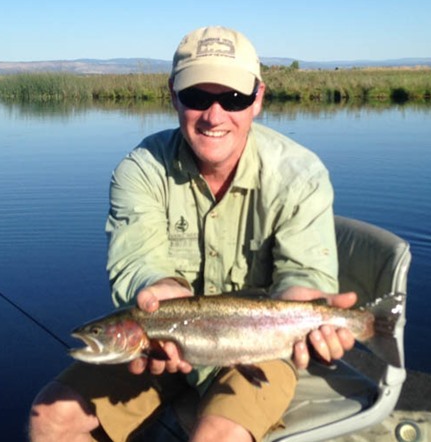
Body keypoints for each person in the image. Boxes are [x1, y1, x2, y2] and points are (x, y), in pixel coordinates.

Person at [29, 25, 357, 442]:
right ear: (173, 96)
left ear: (258, 98)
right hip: (157, 349)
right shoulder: (142, 170)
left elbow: (304, 274)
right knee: (50, 416)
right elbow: (138, 260)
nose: (214, 115)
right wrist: (157, 287)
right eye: (197, 97)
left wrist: (311, 309)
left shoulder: (300, 175)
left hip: (260, 347)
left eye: (233, 98)